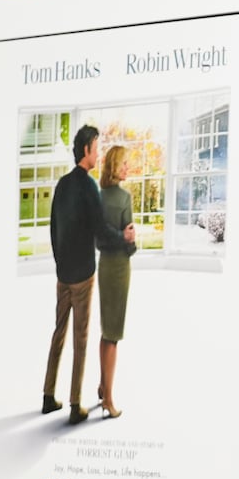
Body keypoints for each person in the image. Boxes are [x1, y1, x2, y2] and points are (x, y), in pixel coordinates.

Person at [44, 124, 135, 424]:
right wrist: (123, 239)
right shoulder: (88, 187)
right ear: (86, 150)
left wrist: (59, 264)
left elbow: (53, 228)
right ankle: (74, 405)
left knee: (58, 333)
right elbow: (99, 229)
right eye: (96, 148)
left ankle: (48, 396)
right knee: (80, 339)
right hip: (82, 274)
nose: (98, 154)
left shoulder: (63, 185)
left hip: (63, 274)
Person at [95, 143, 135, 419]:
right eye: (123, 164)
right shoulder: (124, 198)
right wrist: (129, 240)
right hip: (119, 268)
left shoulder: (96, 197)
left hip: (104, 266)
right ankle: (108, 399)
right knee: (113, 335)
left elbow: (98, 239)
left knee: (106, 331)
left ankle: (102, 386)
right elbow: (129, 243)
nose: (126, 168)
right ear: (113, 167)